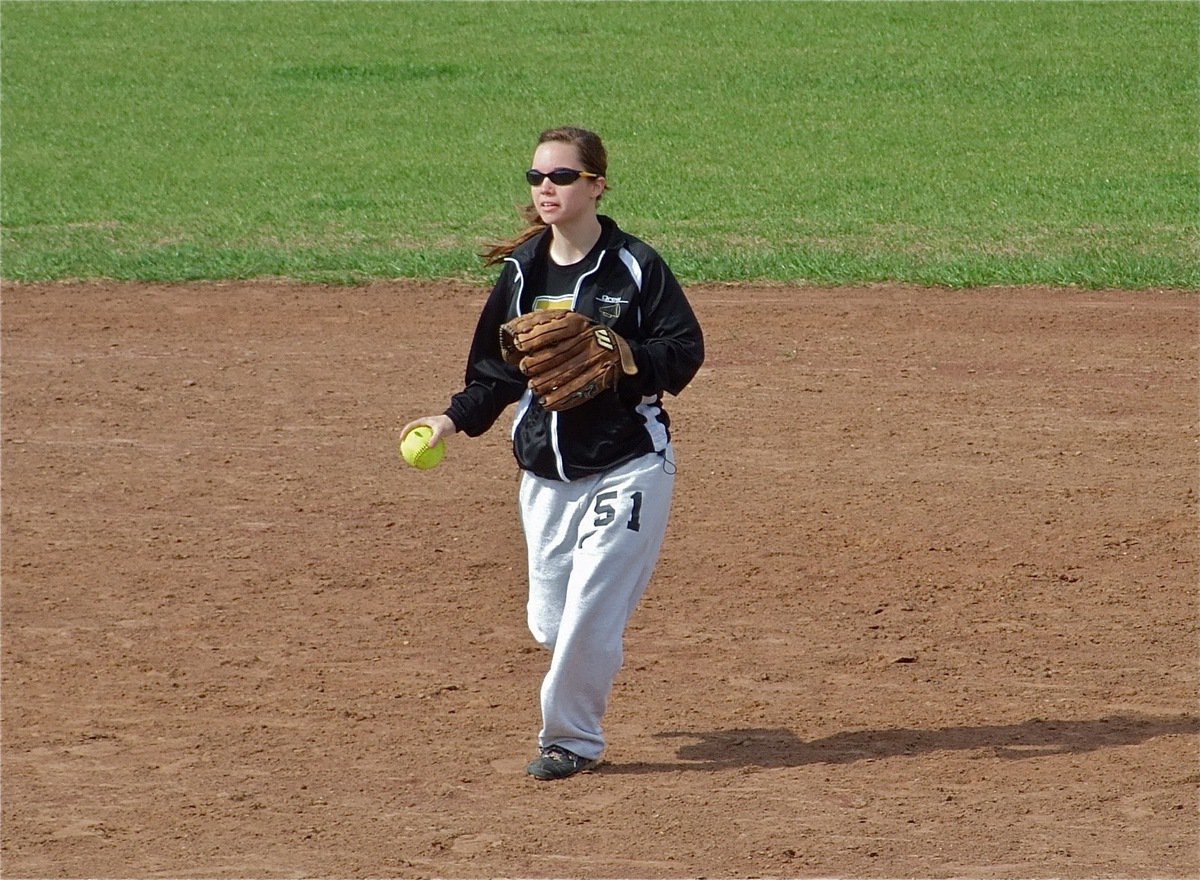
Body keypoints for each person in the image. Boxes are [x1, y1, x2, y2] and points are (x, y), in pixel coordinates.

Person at [401, 126, 704, 781]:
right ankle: (589, 656)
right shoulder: (522, 271)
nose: (547, 188)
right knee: (552, 624)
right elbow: (494, 373)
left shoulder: (635, 266)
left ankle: (570, 740)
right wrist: (450, 420)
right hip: (545, 475)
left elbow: (684, 350)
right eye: (537, 177)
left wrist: (625, 355)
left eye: (562, 176)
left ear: (596, 185)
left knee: (591, 609)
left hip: (629, 463)